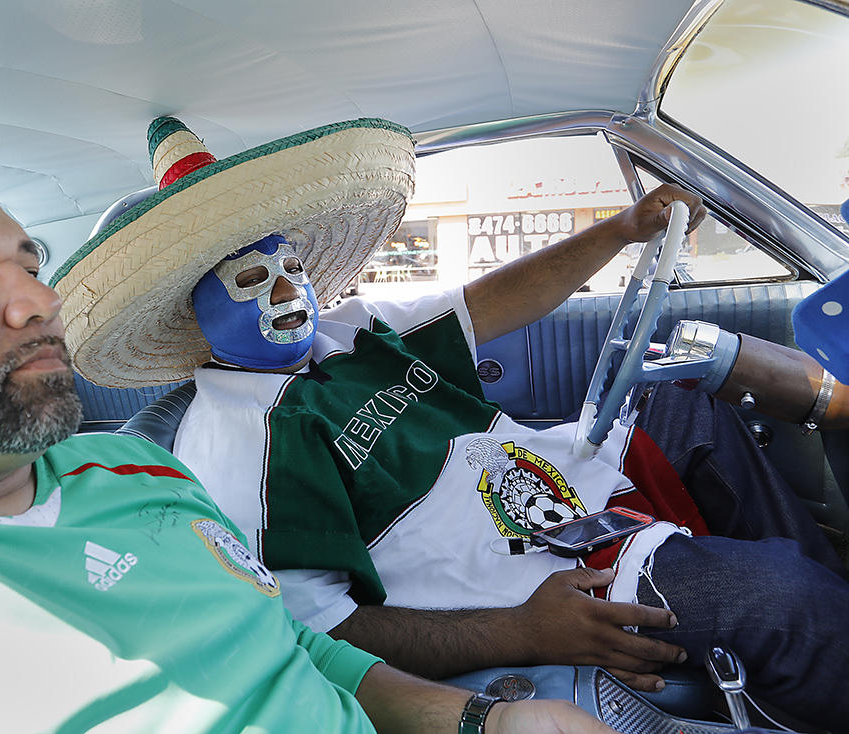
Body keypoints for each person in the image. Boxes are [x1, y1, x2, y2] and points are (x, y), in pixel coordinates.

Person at [0, 134, 628, 734]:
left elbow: (285, 646)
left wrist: (483, 720)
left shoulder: (134, 469)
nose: (35, 300)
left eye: (28, 263)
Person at [50, 116, 849, 730]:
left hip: (565, 490)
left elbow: (487, 304)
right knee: (783, 597)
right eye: (253, 279)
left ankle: (821, 629)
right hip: (541, 577)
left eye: (290, 266)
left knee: (691, 405)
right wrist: (522, 631)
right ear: (195, 315)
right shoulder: (239, 443)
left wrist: (618, 231)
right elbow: (319, 629)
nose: (289, 291)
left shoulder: (353, 329)